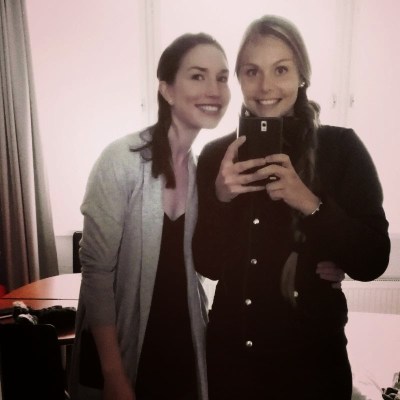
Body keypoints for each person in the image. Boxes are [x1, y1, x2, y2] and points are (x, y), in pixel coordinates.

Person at [192, 15, 390, 400]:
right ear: (239, 78)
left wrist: (311, 204)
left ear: (301, 75)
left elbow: (373, 260)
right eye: (252, 71)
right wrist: (220, 199)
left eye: (280, 69)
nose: (265, 86)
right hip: (233, 365)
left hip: (312, 370)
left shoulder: (341, 149)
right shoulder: (216, 156)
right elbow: (208, 265)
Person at [68, 32, 231, 400]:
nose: (214, 90)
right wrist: (113, 373)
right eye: (197, 75)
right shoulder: (120, 160)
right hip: (123, 352)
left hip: (183, 351)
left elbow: (208, 262)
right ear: (167, 90)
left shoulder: (203, 171)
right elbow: (96, 273)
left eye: (222, 78)